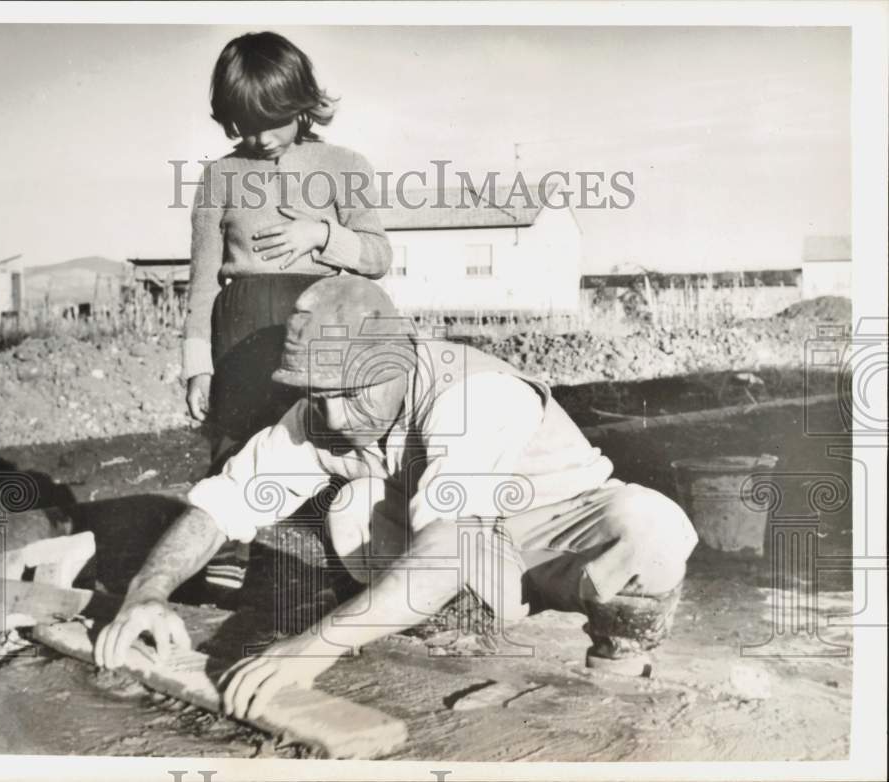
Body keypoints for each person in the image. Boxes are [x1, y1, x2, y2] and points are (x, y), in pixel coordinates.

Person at [97, 277, 698, 723]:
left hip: (560, 532)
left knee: (651, 526)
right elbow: (222, 505)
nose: (332, 415)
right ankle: (456, 658)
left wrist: (316, 646)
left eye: (350, 392)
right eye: (317, 394)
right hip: (472, 555)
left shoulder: (473, 394)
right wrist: (146, 594)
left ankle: (621, 665)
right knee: (354, 505)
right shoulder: (321, 413)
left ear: (401, 359)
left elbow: (442, 549)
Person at [183, 32, 392, 586]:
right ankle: (230, 548)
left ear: (302, 103)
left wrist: (322, 234)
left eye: (272, 120)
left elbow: (377, 255)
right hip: (242, 322)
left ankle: (348, 551)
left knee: (327, 435)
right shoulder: (218, 176)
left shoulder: (344, 164)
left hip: (320, 320)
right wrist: (196, 364)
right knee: (238, 432)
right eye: (242, 124)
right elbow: (202, 281)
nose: (259, 137)